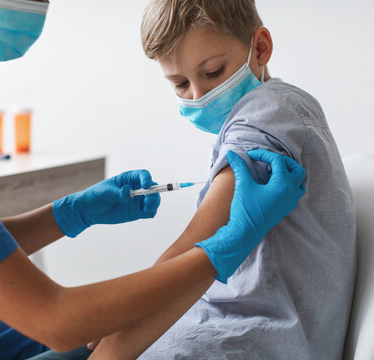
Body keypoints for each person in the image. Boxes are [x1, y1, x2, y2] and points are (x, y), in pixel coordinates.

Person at [0, 0, 306, 359]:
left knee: (75, 341)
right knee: (75, 336)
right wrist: (220, 252)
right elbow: (57, 319)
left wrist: (72, 213)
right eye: (179, 83)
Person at [49, 0, 353, 359]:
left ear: (260, 48)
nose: (198, 95)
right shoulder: (279, 108)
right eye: (179, 83)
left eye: (212, 72)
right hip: (215, 329)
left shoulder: (266, 112)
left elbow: (201, 240)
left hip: (248, 341)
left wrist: (124, 327)